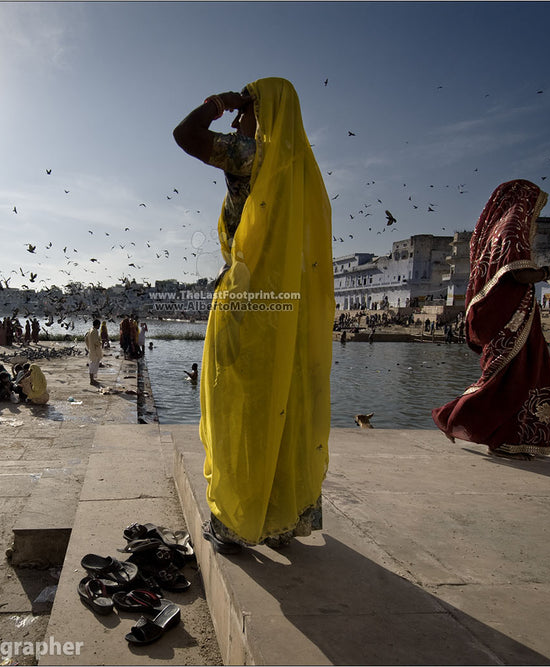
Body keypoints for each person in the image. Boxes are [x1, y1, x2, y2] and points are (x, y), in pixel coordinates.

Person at [173, 77, 333, 551]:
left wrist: (222, 102)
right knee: (285, 404)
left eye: (249, 109)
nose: (241, 119)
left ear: (261, 114)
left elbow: (185, 135)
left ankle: (236, 521)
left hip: (246, 307)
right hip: (290, 312)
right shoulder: (302, 171)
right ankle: (282, 516)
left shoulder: (253, 156)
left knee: (236, 409)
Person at [432, 180, 550, 460]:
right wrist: (549, 271)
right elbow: (517, 273)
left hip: (515, 317)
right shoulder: (510, 229)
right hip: (510, 321)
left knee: (520, 379)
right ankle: (454, 418)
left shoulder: (497, 231)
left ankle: (513, 438)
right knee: (507, 380)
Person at [85, 318, 103, 386]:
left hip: (92, 350)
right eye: (99, 325)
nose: (99, 326)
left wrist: (89, 347)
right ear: (97, 325)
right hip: (95, 350)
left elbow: (86, 339)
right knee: (93, 365)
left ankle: (93, 379)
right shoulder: (95, 331)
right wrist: (100, 343)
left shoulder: (90, 330)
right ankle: (91, 380)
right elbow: (96, 342)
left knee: (93, 364)